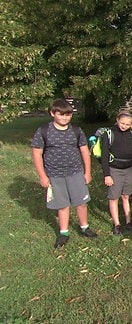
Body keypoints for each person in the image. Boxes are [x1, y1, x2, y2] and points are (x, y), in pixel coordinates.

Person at [31, 98, 98, 248]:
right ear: (52, 113)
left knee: (81, 203)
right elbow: (36, 154)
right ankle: (64, 232)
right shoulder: (44, 131)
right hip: (55, 175)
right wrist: (42, 176)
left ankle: (84, 227)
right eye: (60, 114)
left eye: (68, 115)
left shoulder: (76, 130)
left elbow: (84, 151)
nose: (64, 118)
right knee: (62, 205)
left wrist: (88, 172)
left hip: (75, 173)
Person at [101, 110, 132, 235]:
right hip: (114, 170)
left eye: (127, 124)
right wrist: (107, 175)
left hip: (128, 169)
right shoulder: (109, 134)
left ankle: (128, 222)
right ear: (117, 120)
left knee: (126, 196)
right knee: (114, 197)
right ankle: (117, 224)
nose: (124, 126)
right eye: (122, 123)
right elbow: (104, 156)